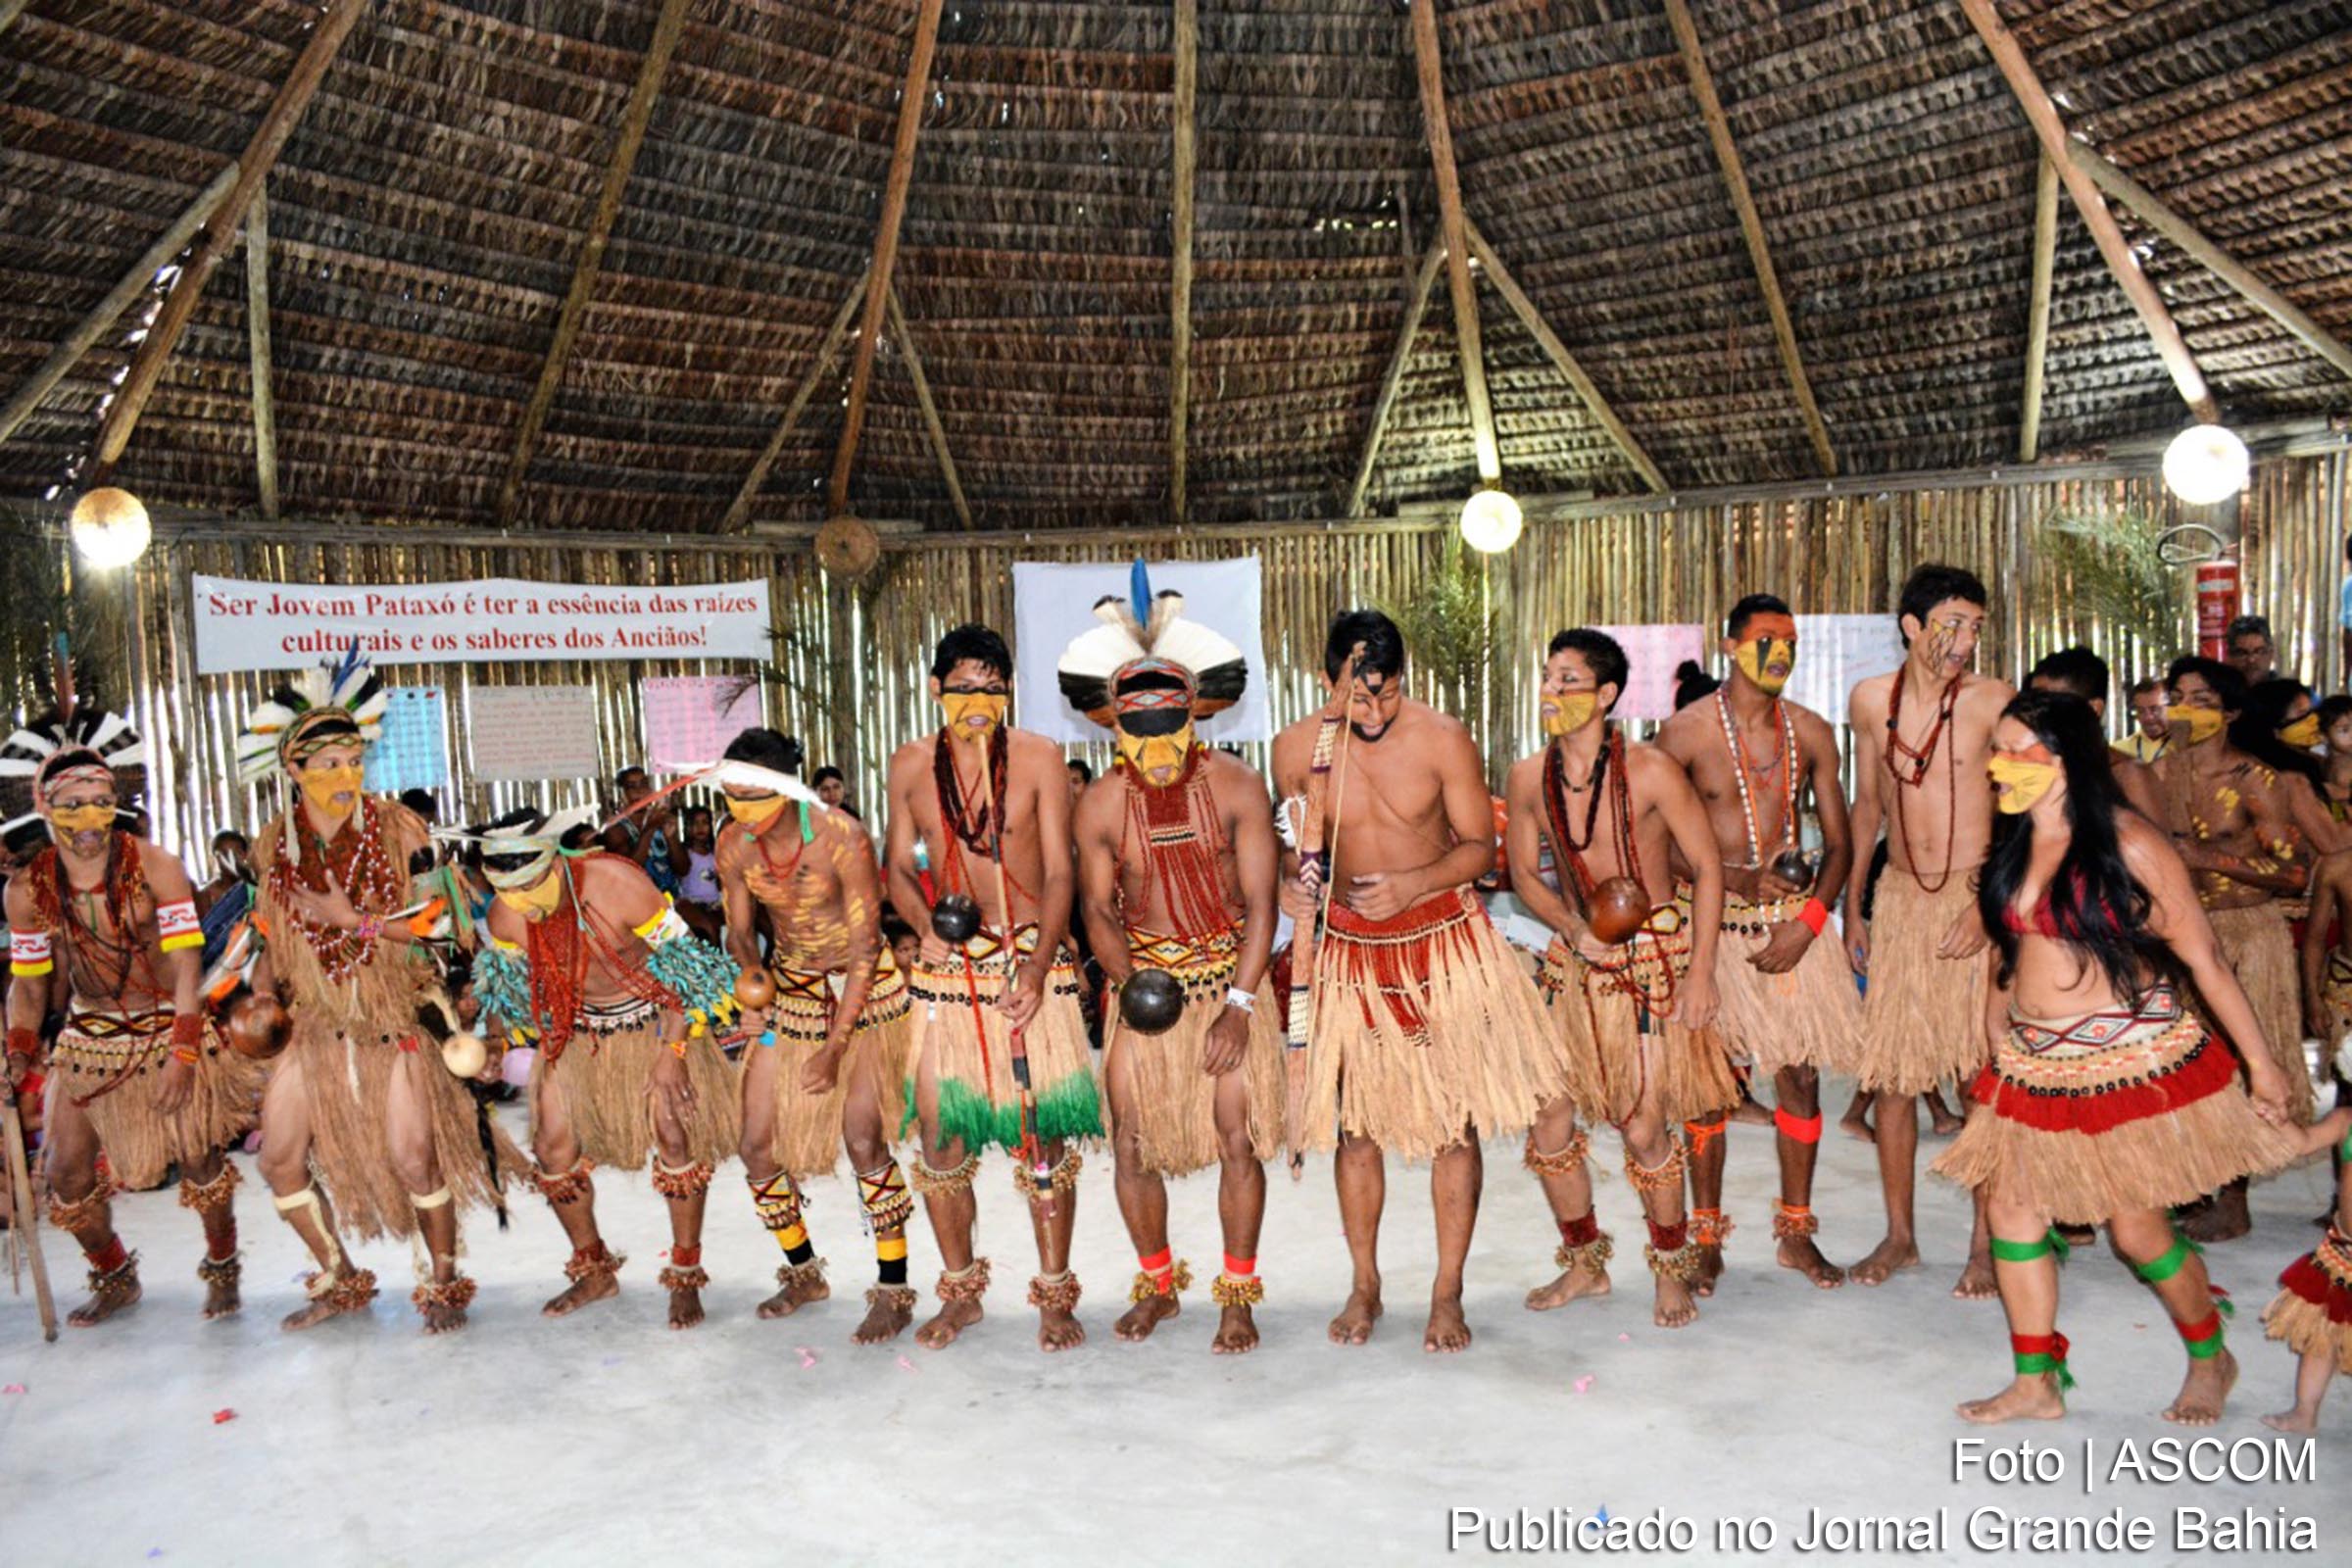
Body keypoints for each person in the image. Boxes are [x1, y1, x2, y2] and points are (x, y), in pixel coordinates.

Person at [1935, 690, 2296, 1425]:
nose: (1996, 766)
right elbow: (2011, 955)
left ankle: (2210, 1357)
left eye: (2013, 751)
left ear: (2064, 759)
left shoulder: (2128, 843)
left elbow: (2206, 959)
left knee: (2138, 1232)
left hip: (2121, 1057)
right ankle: (2036, 1383)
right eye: (1994, 751)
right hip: (2034, 1061)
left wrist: (2264, 1065)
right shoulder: (2011, 843)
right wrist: (1993, 1028)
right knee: (2012, 1213)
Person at [1275, 610, 1560, 1353]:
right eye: (1357, 698)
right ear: (1325, 680)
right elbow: (1298, 854)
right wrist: (1292, 891)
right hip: (1349, 955)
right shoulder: (1295, 750)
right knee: (1358, 1128)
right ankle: (1365, 1284)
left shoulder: (1441, 739)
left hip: (1439, 944)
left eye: (1388, 695)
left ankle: (1447, 1291)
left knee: (1451, 1124)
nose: (1373, 712)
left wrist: (1411, 884)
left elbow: (1479, 851)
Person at [238, 652, 520, 1332]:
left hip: (392, 1017)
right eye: (326, 763)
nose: (344, 774)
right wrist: (262, 997)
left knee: (414, 1158)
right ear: (293, 770)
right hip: (315, 1025)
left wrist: (352, 921)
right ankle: (339, 1274)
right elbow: (266, 938)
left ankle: (444, 1281)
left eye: (353, 759)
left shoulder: (400, 829)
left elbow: (442, 931)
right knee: (278, 1159)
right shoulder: (271, 845)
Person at [1063, 581, 1284, 1351]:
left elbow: (1261, 905)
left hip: (1229, 981)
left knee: (1236, 1139)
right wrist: (1131, 987)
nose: (1155, 754)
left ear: (1195, 717)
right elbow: (1095, 909)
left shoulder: (1235, 786)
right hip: (1145, 984)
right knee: (1129, 1140)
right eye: (1138, 737)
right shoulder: (1097, 805)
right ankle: (1157, 1284)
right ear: (1113, 728)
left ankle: (1237, 1295)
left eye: (1170, 733)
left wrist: (1241, 1005)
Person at [0, 705, 258, 1324]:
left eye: (100, 803)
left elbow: (189, 962)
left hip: (167, 1019)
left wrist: (185, 1049)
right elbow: (30, 985)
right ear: (45, 809)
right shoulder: (27, 890)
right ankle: (115, 1274)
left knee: (198, 1159)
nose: (90, 821)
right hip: (89, 1036)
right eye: (73, 806)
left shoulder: (155, 867)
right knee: (63, 1173)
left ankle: (223, 1266)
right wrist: (16, 1050)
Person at [883, 624, 1100, 1351]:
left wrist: (1038, 970)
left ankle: (1053, 1296)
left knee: (1042, 1141)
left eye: (992, 687)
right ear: (936, 689)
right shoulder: (911, 765)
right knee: (941, 1140)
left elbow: (1062, 871)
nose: (979, 701)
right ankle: (962, 1292)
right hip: (949, 972)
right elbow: (896, 870)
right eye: (964, 687)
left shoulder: (1037, 757)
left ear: (1009, 691)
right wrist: (926, 925)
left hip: (1028, 957)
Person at [1506, 629, 1729, 1328]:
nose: (1552, 690)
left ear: (1605, 695)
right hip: (1580, 963)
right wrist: (1574, 932)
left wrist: (1702, 973)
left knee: (1641, 1127)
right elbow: (1522, 877)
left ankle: (1669, 1267)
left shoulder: (1654, 770)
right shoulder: (1526, 777)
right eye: (1547, 677)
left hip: (1654, 964)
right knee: (1548, 1121)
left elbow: (1710, 866)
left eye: (1568, 679)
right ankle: (1584, 1263)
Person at [467, 807, 743, 1330]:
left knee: (674, 1136)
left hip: (655, 1020)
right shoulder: (506, 916)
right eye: (507, 890)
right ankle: (593, 1268)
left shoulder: (619, 884)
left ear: (555, 860)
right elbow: (506, 990)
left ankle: (685, 1273)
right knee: (552, 1150)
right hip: (578, 1032)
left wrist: (673, 1053)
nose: (521, 902)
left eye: (529, 885)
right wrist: (499, 1042)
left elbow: (691, 968)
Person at [1656, 596, 1859, 1292]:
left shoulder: (1811, 732)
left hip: (1790, 928)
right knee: (1707, 1086)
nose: (1780, 652)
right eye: (1765, 639)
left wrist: (1810, 924)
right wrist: (1736, 877)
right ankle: (1706, 1236)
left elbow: (1840, 844)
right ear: (1730, 642)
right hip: (1709, 924)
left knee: (1800, 1079)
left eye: (1790, 641)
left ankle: (1796, 1234)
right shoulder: (1682, 734)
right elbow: (1658, 844)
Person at [717, 728, 921, 1345]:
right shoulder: (734, 845)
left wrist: (836, 1047)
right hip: (793, 992)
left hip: (869, 995)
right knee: (755, 1147)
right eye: (731, 796)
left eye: (753, 797)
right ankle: (804, 1273)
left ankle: (893, 1288)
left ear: (786, 791)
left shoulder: (841, 837)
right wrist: (750, 973)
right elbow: (738, 930)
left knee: (863, 1141)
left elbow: (865, 945)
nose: (741, 811)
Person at [1844, 564, 2012, 1295]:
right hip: (1902, 903)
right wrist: (1854, 906)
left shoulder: (1992, 702)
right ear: (1912, 626)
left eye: (1976, 625)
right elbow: (1867, 808)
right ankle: (1901, 1236)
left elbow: (2023, 810)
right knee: (1893, 1080)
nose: (1966, 640)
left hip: (1975, 900)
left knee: (1985, 1080)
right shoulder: (1868, 701)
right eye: (1953, 623)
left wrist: (1987, 907)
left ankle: (1984, 1245)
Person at [2156, 657, 2324, 1241]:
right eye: (2177, 696)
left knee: (2243, 1063)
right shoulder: (2159, 775)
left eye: (2200, 699)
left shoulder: (2255, 780)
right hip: (2187, 935)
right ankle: (2203, 1182)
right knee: (2189, 1067)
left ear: (2229, 713)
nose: (2184, 709)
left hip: (2248, 933)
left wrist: (2209, 859)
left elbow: (2295, 873)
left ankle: (2235, 1200)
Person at [2261, 1102, 2352, 1433]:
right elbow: (2303, 1143)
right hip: (2344, 1253)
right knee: (2321, 1337)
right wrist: (2280, 1120)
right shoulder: (2346, 1120)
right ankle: (2305, 1411)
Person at [2026, 647, 2164, 823]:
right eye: (2033, 703)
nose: (2038, 713)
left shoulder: (2127, 775)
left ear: (2093, 708)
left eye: (2052, 705)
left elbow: (2156, 847)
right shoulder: (2029, 769)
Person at [604, 765, 685, 893]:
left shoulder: (660, 819)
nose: (640, 790)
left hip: (671, 897)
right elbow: (630, 870)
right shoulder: (615, 828)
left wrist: (671, 837)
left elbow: (683, 869)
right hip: (639, 902)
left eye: (644, 784)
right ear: (620, 792)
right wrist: (650, 828)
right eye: (631, 786)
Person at [675, 804, 724, 944]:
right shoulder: (685, 852)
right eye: (695, 823)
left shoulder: (715, 853)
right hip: (693, 902)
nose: (700, 827)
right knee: (711, 928)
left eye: (704, 823)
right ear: (687, 827)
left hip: (715, 902)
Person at [195, 829, 253, 916]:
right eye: (225, 854)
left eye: (237, 853)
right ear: (216, 858)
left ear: (245, 855)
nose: (231, 859)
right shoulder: (208, 895)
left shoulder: (255, 887)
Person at [2114, 675, 2169, 764]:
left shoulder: (2188, 749)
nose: (2148, 717)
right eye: (2141, 711)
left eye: (2155, 709)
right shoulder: (2118, 751)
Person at [2226, 613, 2280, 686]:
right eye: (2242, 653)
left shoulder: (2287, 695)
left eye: (2258, 652)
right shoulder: (2219, 694)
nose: (2251, 660)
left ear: (2271, 654)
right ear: (2230, 656)